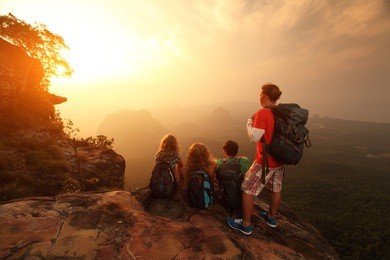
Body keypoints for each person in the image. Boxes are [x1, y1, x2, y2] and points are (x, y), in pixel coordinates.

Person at [227, 83, 285, 235]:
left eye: (260, 94)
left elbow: (254, 137)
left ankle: (245, 225)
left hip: (265, 161)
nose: (259, 97)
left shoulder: (263, 113)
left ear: (265, 96)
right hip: (280, 159)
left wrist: (249, 123)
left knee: (247, 189)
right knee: (276, 188)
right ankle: (271, 218)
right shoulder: (281, 112)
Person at [216, 140, 250, 214]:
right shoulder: (244, 161)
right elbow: (246, 177)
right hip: (240, 198)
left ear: (225, 151)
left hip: (224, 197)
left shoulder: (219, 162)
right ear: (237, 150)